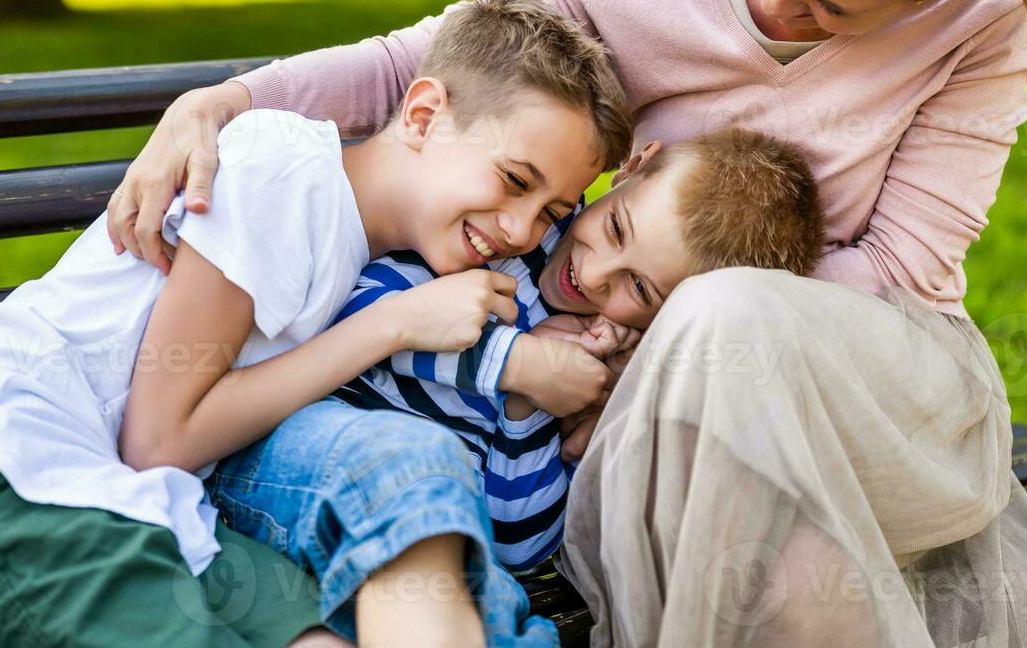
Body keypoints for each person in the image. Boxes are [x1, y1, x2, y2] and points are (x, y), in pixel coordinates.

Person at [109, 0, 1027, 646]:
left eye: (831, 8)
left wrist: (658, 353)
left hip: (869, 378)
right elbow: (418, 68)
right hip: (647, 398)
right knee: (777, 580)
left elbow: (903, 269)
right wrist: (222, 100)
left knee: (723, 308)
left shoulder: (980, 21)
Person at [0, 0, 631, 648]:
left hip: (158, 515)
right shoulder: (284, 170)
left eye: (553, 212)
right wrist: (393, 325)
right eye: (513, 180)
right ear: (422, 116)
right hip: (0, 493)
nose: (524, 231)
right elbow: (158, 438)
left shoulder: (365, 243)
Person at [205, 127, 823, 647]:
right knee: (421, 482)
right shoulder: (510, 237)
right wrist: (515, 362)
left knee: (503, 611)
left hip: (437, 534)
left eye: (640, 289)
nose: (595, 274)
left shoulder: (592, 365)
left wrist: (528, 408)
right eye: (614, 230)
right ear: (635, 168)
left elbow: (519, 541)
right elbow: (359, 310)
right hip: (304, 461)